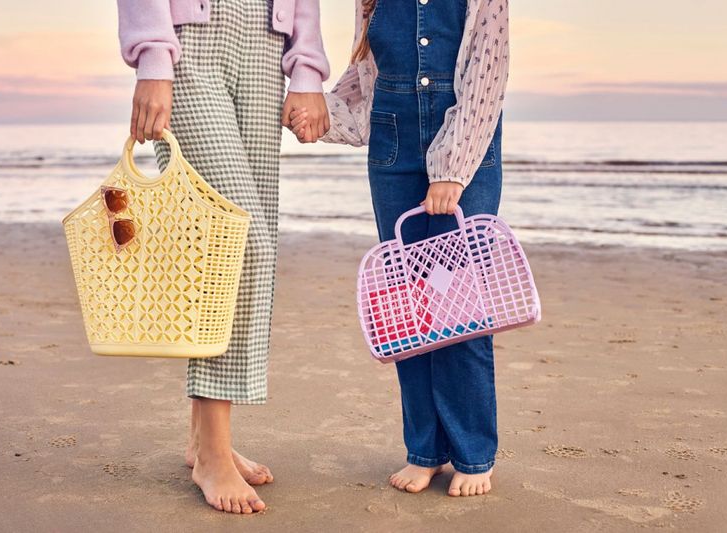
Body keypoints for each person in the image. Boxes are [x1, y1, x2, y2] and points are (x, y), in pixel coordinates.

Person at [289, 0, 509, 497]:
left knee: (459, 306)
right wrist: (312, 112)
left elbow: (486, 76)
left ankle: (474, 453)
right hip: (392, 155)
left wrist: (451, 168)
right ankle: (425, 451)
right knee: (407, 308)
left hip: (467, 158)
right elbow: (363, 91)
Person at [117, 0, 330, 514]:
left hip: (264, 41)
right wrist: (152, 56)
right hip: (190, 36)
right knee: (235, 244)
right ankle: (213, 456)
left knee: (241, 244)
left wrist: (307, 67)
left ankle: (203, 439)